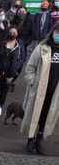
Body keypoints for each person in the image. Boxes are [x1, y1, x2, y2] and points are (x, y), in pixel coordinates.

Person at [22, 22, 59, 155]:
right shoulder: (42, 47)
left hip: (55, 93)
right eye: (57, 32)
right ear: (53, 32)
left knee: (47, 117)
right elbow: (29, 68)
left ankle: (40, 139)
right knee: (35, 115)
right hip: (40, 90)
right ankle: (30, 139)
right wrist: (33, 83)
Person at [0, 26, 25, 116]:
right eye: (10, 33)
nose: (12, 34)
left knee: (4, 89)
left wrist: (15, 69)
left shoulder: (19, 46)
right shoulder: (1, 43)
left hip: (9, 73)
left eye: (14, 33)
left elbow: (22, 58)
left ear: (17, 34)